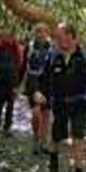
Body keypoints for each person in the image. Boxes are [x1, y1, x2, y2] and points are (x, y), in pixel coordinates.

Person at [38, 20, 86, 172]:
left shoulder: (85, 56)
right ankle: (53, 156)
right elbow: (44, 78)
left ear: (71, 37)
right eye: (56, 38)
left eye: (59, 37)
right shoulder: (53, 56)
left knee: (78, 136)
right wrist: (39, 92)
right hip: (59, 102)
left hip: (80, 102)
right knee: (58, 136)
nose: (56, 41)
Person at [22, 24, 53, 155]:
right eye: (38, 31)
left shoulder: (53, 48)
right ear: (35, 33)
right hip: (33, 82)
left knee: (46, 114)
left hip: (48, 83)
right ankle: (36, 138)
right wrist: (17, 84)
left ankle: (44, 142)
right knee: (36, 112)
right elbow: (24, 65)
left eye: (44, 31)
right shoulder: (29, 47)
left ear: (47, 33)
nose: (41, 34)